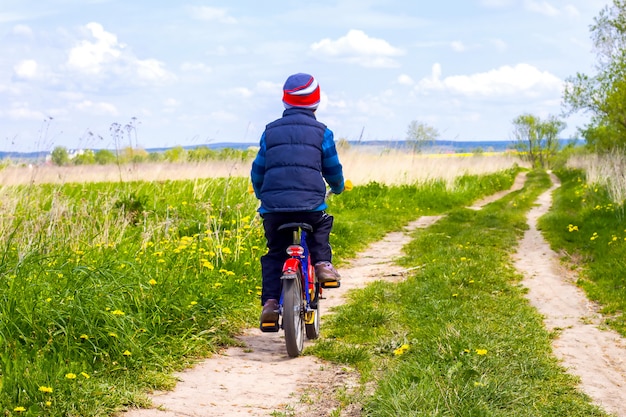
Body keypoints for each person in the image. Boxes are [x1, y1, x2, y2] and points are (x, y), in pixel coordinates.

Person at [250, 72, 345, 328]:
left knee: (275, 254)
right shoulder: (322, 132)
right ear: (316, 102)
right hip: (310, 205)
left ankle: (270, 304)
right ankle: (323, 264)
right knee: (320, 226)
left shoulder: (270, 132)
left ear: (285, 101)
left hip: (274, 209)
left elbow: (258, 170)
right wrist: (338, 186)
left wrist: (262, 195)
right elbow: (332, 168)